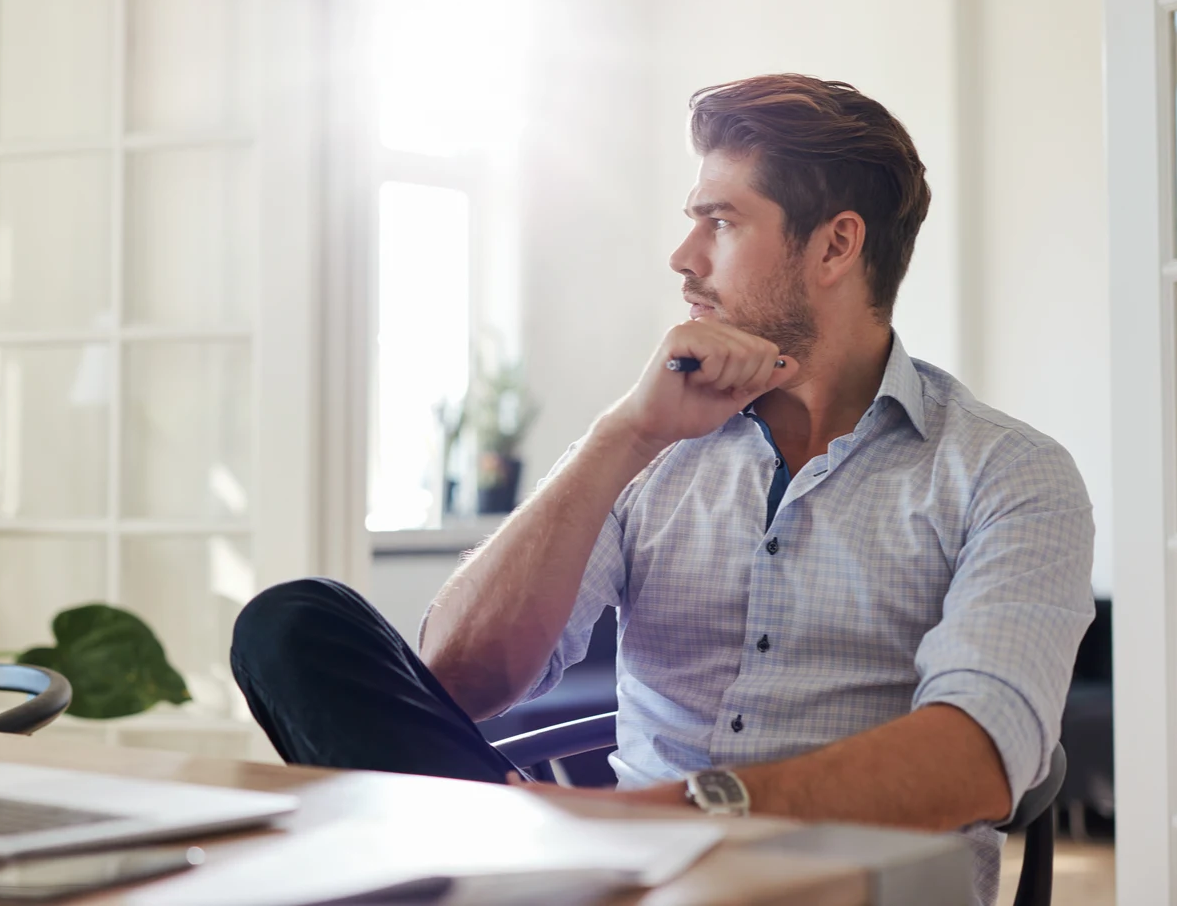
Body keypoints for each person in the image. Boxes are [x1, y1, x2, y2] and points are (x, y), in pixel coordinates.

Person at [230, 73, 1094, 906]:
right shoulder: (654, 442)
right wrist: (623, 436)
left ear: (835, 244)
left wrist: (651, 820)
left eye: (719, 222)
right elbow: (457, 680)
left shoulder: (1006, 473)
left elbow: (975, 756)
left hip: (833, 892)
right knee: (292, 623)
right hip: (615, 885)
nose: (683, 258)